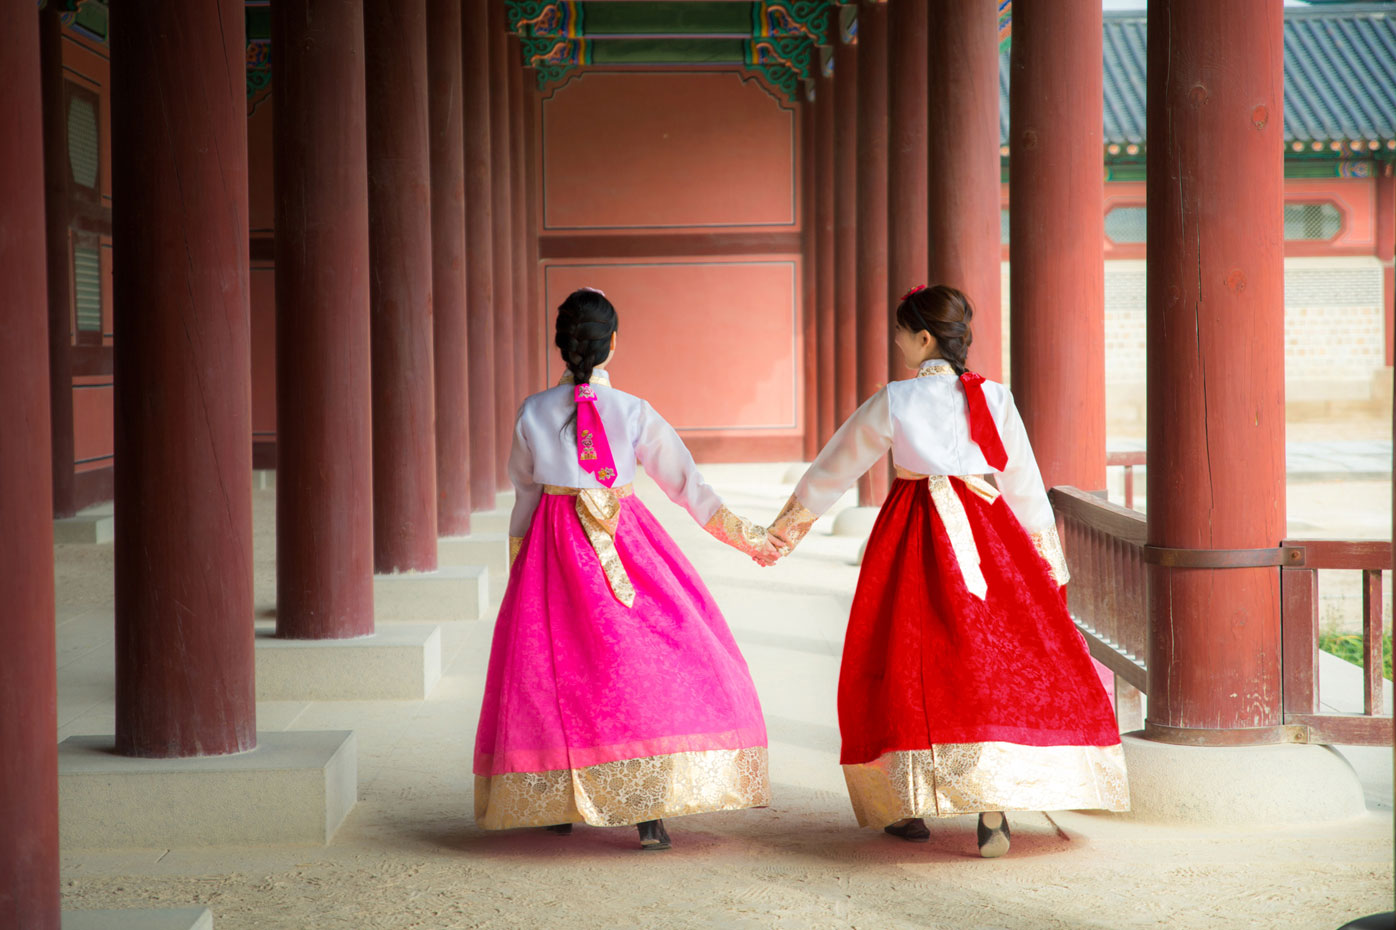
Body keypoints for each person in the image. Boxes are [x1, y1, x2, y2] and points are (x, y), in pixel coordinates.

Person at [767, 284, 1129, 858]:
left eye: (900, 331)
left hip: (914, 536)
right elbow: (1026, 486)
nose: (895, 341)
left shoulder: (896, 400)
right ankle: (994, 803)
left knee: (908, 659)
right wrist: (1046, 564)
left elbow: (836, 465)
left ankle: (908, 803)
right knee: (992, 660)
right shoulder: (996, 399)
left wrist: (785, 529)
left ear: (924, 338)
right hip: (989, 536)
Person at [473, 286, 778, 851]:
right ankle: (649, 810)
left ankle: (556, 798)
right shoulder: (634, 410)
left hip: (553, 547)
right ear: (612, 343)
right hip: (624, 541)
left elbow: (523, 493)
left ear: (560, 345)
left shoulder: (533, 411)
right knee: (635, 663)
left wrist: (519, 562)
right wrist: (748, 537)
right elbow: (687, 484)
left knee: (552, 666)